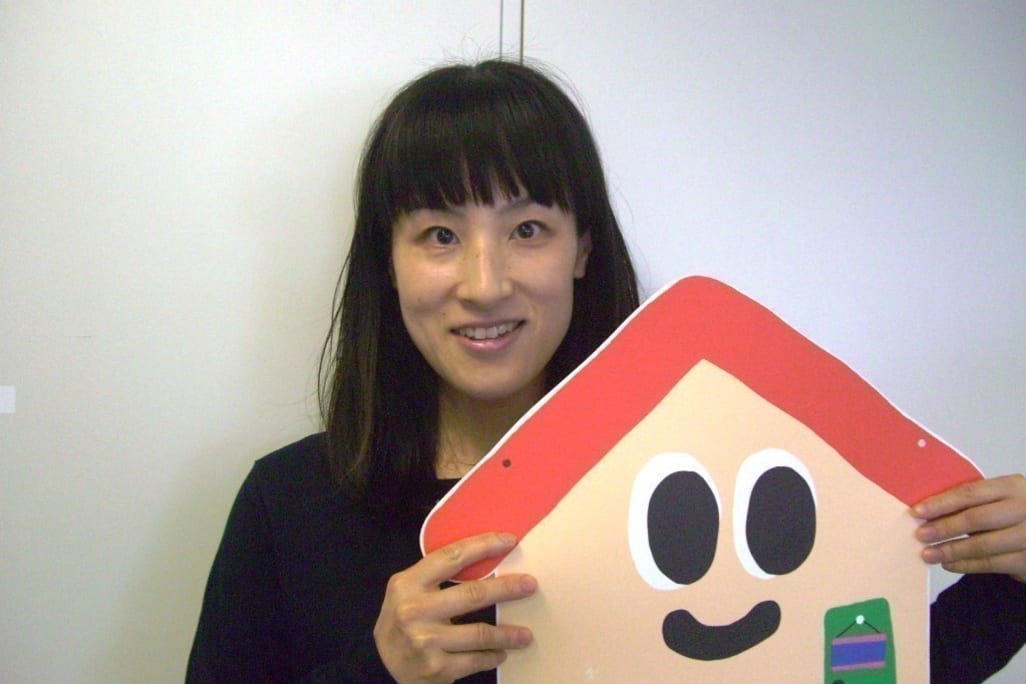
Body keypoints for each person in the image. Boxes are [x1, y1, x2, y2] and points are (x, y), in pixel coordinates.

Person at [186, 59, 1026, 684]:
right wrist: (379, 670)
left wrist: (1018, 579)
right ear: (389, 262)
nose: (484, 284)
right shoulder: (288, 504)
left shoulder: (711, 478)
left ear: (583, 247)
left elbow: (855, 664)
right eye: (439, 235)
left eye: (528, 230)